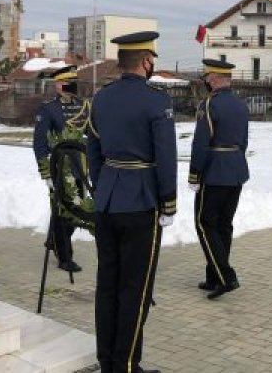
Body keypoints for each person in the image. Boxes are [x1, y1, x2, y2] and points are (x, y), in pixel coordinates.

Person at [87, 31, 176, 373]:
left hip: (107, 201)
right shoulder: (157, 102)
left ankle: (107, 360)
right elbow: (165, 157)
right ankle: (124, 365)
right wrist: (168, 202)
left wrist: (103, 185)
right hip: (141, 203)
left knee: (107, 285)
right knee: (135, 289)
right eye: (152, 59)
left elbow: (93, 149)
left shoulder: (102, 98)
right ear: (146, 61)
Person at [189, 59, 250, 299]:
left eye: (207, 78)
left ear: (214, 79)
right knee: (224, 225)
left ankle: (225, 276)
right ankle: (214, 276)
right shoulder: (240, 104)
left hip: (214, 171)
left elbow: (201, 142)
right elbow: (244, 141)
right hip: (236, 169)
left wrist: (195, 173)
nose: (205, 81)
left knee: (205, 223)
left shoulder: (209, 104)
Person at [33, 65, 90, 273]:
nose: (67, 87)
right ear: (57, 85)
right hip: (60, 168)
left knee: (77, 210)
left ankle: (53, 239)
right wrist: (45, 171)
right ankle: (65, 257)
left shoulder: (85, 106)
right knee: (63, 212)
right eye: (63, 83)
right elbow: (39, 143)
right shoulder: (48, 109)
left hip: (82, 167)